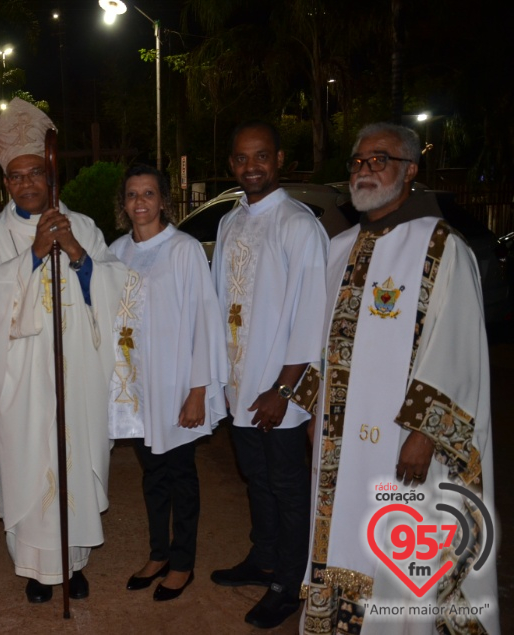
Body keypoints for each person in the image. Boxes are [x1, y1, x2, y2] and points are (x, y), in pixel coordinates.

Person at [299, 123, 498, 634]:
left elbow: (457, 351)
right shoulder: (338, 245)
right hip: (340, 442)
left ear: (410, 170)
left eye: (379, 160)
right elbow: (322, 340)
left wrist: (425, 434)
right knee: (339, 535)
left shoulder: (441, 247)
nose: (364, 171)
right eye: (357, 162)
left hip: (402, 444)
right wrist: (312, 411)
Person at [0, 97, 128, 603]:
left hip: (77, 369)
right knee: (30, 464)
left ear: (49, 176)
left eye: (36, 172)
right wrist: (33, 256)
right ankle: (37, 569)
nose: (29, 183)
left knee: (76, 459)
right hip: (21, 379)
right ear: (6, 184)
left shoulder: (83, 226)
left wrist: (79, 258)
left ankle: (73, 562)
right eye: (18, 176)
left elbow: (117, 291)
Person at [209, 121, 329, 628]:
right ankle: (263, 559)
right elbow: (219, 301)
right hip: (240, 385)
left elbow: (313, 313)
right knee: (255, 478)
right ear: (231, 164)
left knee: (286, 483)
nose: (250, 167)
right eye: (240, 158)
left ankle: (290, 579)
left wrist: (284, 388)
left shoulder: (298, 224)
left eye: (260, 157)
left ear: (279, 160)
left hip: (279, 388)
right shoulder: (230, 220)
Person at [108, 165, 228, 602]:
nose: (140, 202)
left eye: (149, 194)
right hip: (136, 388)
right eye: (132, 195)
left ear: (163, 201)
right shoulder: (116, 250)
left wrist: (198, 389)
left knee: (180, 475)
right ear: (123, 204)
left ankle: (182, 563)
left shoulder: (183, 249)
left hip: (175, 385)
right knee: (152, 474)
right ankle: (158, 554)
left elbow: (203, 320)